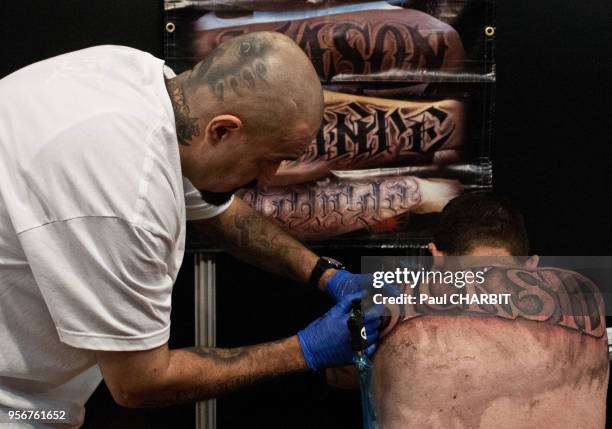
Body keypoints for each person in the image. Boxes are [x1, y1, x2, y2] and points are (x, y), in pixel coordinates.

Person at [0, 32, 378, 428]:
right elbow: (140, 383)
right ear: (222, 131)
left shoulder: (140, 79)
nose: (269, 178)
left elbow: (219, 213)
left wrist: (325, 275)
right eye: (271, 159)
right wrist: (306, 350)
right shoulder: (128, 192)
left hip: (37, 397)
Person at [370, 193, 608, 428]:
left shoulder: (391, 296)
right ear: (532, 264)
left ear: (436, 256)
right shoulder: (584, 295)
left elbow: (341, 374)